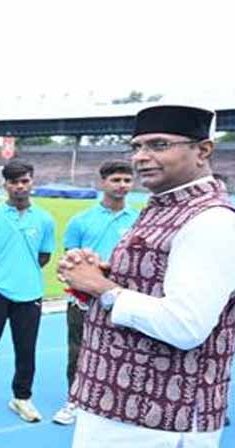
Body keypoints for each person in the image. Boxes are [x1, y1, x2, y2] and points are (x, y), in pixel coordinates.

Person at [57, 104, 235, 448]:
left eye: (159, 145)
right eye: (137, 146)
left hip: (167, 418)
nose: (141, 157)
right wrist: (99, 277)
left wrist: (105, 289)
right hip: (127, 407)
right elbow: (150, 287)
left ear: (203, 151)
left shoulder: (211, 222)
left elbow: (185, 325)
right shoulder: (165, 208)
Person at [0, 160, 55, 423]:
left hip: (29, 292)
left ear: (32, 182)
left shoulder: (44, 219)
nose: (20, 186)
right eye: (14, 182)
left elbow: (44, 255)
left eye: (25, 181)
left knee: (26, 349)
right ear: (6, 185)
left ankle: (22, 398)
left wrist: (22, 271)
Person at [53, 160, 138, 426]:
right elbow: (69, 259)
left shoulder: (139, 220)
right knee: (78, 348)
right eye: (116, 180)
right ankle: (75, 400)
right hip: (84, 297)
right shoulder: (81, 220)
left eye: (127, 180)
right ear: (102, 183)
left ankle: (117, 402)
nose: (122, 185)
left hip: (122, 295)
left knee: (124, 350)